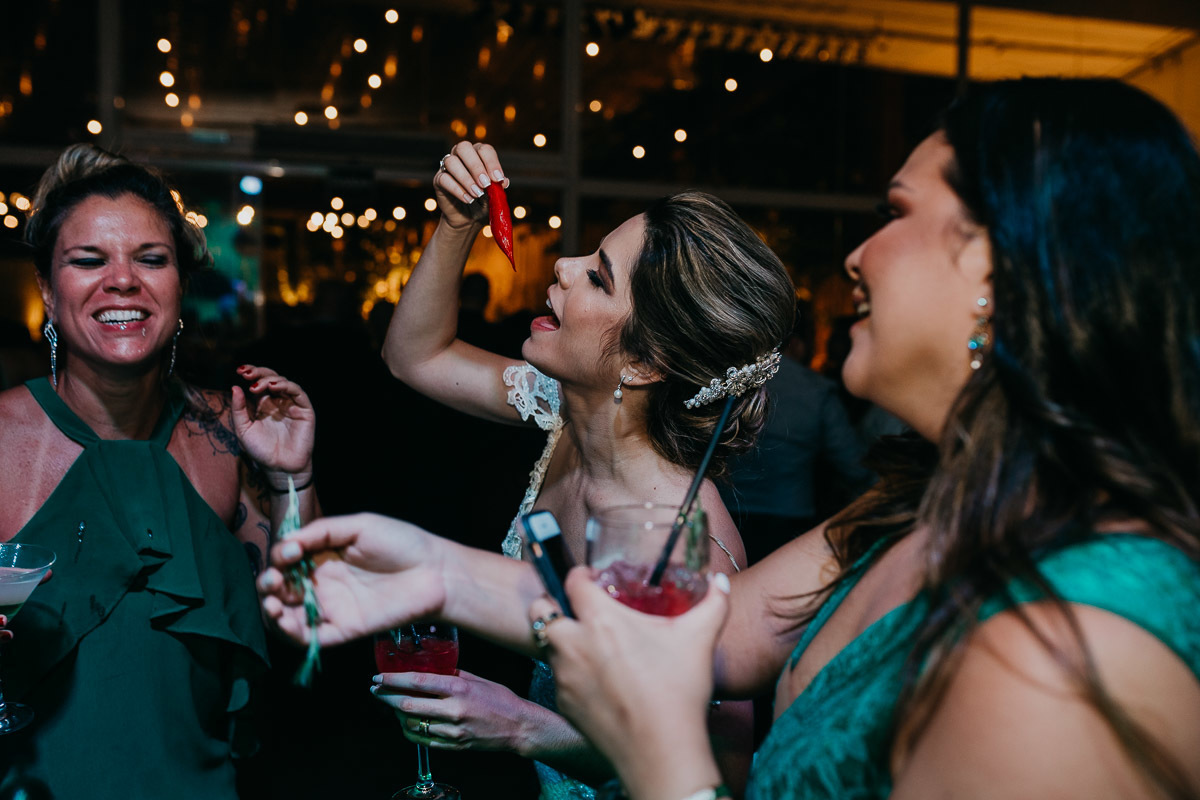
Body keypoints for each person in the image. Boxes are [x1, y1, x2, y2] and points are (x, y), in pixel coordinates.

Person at [262, 77, 1200, 799]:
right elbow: (710, 637)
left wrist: (642, 756)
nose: (856, 253)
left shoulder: (1070, 645)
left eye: (897, 212)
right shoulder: (923, 514)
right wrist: (424, 570)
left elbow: (715, 736)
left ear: (998, 264)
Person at [372, 140, 793, 798]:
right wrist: (457, 225)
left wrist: (523, 727)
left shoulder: (683, 548)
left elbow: (719, 778)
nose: (563, 265)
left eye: (597, 276)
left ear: (643, 364)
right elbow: (414, 357)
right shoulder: (564, 413)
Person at [0, 144, 318, 799]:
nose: (123, 281)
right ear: (46, 292)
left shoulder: (231, 430)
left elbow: (305, 616)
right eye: (89, 260)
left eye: (152, 259)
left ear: (180, 285)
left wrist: (294, 474)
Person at [721, 300, 875, 567]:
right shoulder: (816, 389)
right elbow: (852, 463)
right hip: (788, 520)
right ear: (797, 343)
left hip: (724, 514)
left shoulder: (724, 380)